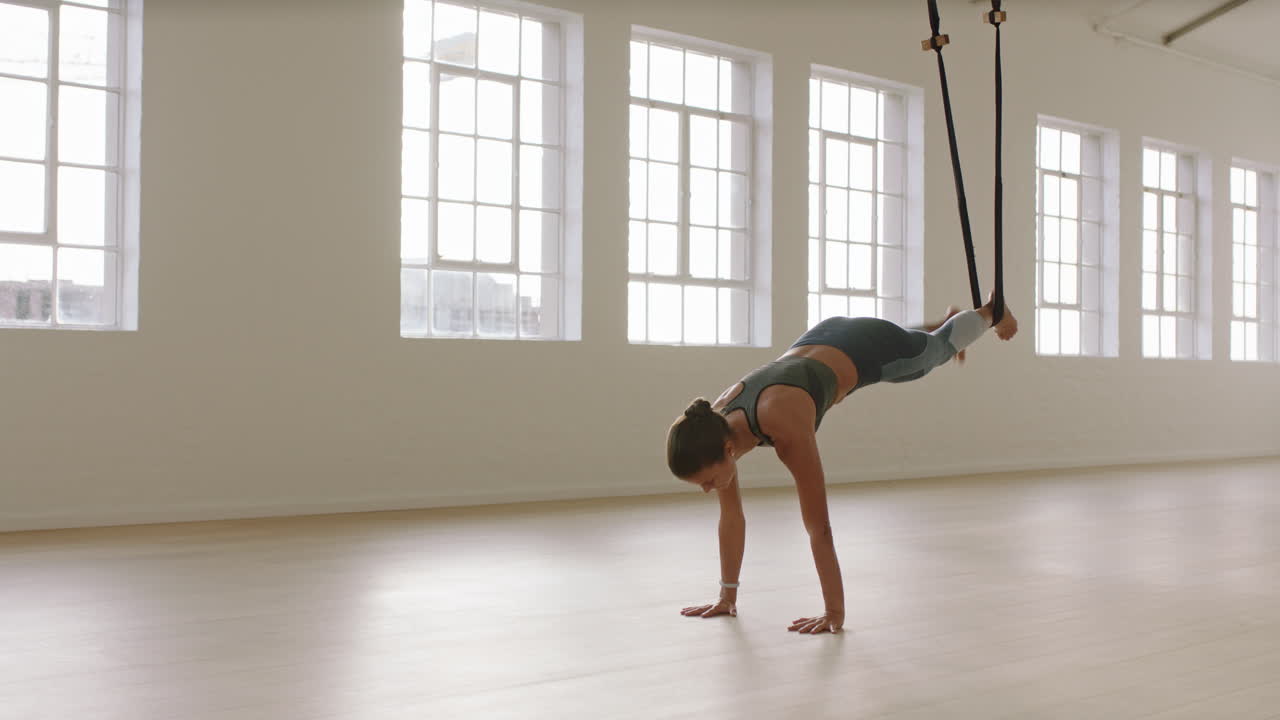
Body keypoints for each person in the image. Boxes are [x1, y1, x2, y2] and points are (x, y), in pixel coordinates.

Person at [666, 293, 1018, 635]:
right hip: (827, 334)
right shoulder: (712, 424)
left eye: (707, 481)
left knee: (932, 355)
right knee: (912, 343)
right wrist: (727, 596)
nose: (708, 489)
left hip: (866, 349)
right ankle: (946, 323)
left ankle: (991, 312)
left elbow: (819, 528)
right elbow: (731, 518)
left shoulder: (784, 424)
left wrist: (834, 611)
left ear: (728, 450)